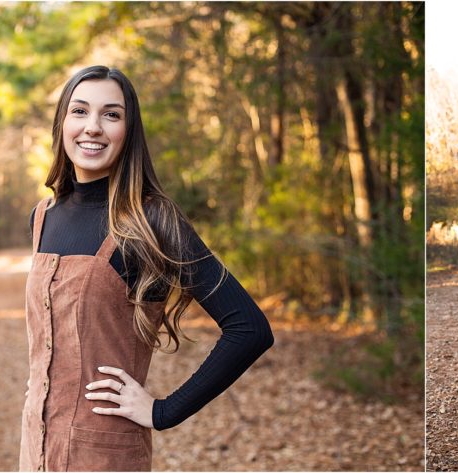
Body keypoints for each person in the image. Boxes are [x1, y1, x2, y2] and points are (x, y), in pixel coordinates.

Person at [18, 65, 274, 471]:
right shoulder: (43, 216)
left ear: (128, 129)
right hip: (36, 450)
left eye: (111, 114)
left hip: (105, 455)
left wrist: (162, 411)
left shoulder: (151, 221)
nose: (93, 127)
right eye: (80, 111)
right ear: (62, 122)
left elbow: (249, 328)